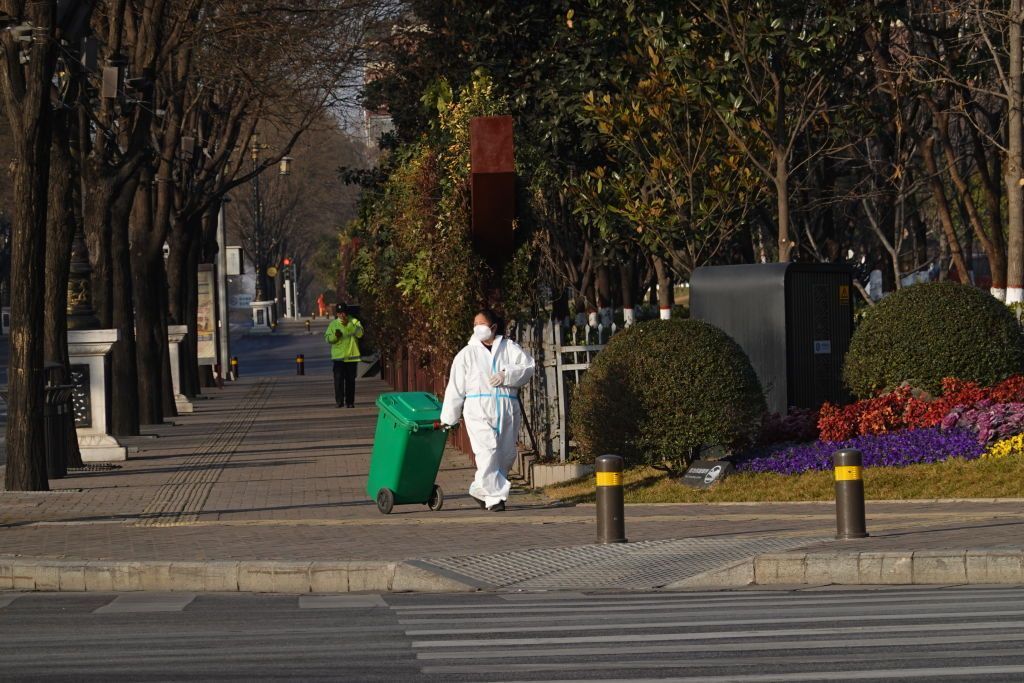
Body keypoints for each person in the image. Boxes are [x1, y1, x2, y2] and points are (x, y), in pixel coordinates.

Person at [441, 309, 535, 512]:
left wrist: (506, 374)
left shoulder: (509, 347)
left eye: (481, 324)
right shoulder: (467, 354)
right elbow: (456, 387)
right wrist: (450, 417)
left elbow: (527, 367)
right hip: (478, 410)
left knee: (506, 455)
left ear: (493, 327)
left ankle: (479, 488)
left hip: (507, 408)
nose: (477, 328)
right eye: (475, 324)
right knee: (487, 451)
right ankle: (495, 499)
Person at [324, 303, 363, 408]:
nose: (342, 315)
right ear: (337, 314)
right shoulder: (333, 324)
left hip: (351, 357)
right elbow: (327, 338)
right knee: (338, 380)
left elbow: (360, 333)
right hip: (338, 357)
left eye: (343, 313)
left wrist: (349, 325)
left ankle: (350, 402)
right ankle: (339, 401)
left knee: (350, 381)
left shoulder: (354, 321)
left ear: (347, 312)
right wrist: (334, 337)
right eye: (339, 313)